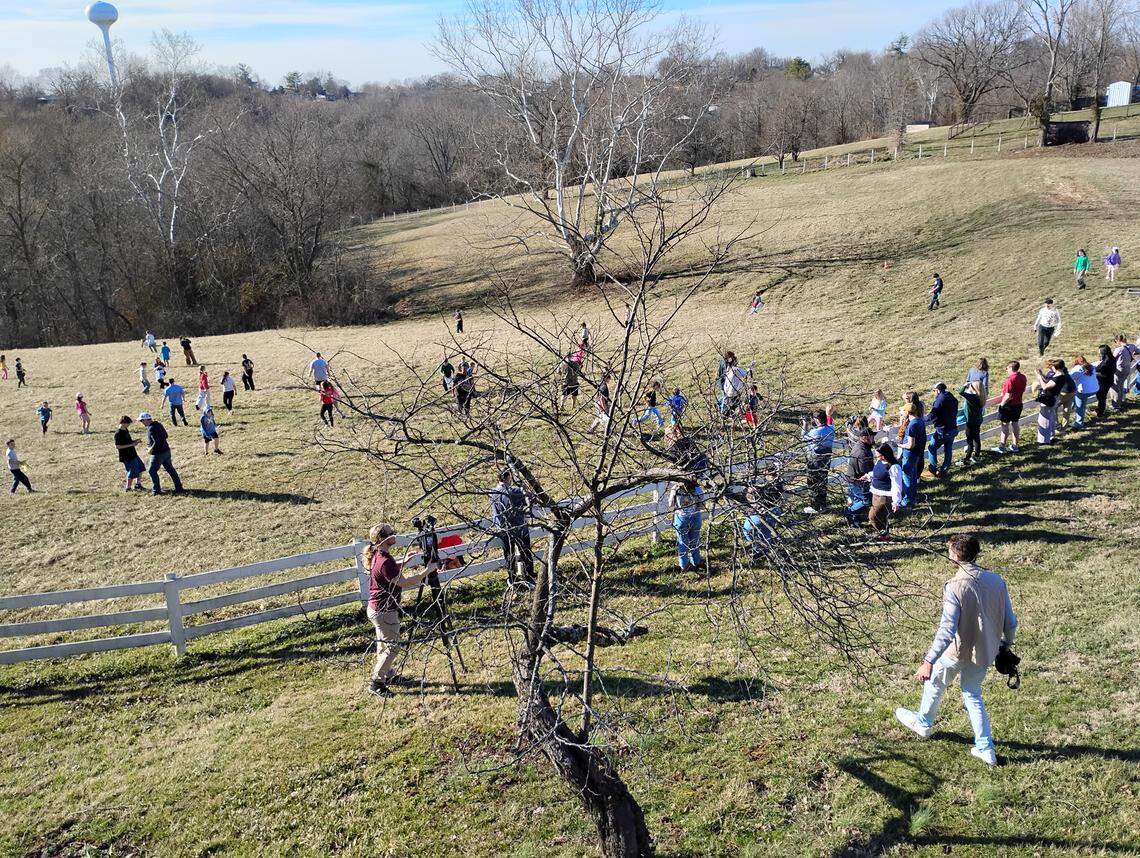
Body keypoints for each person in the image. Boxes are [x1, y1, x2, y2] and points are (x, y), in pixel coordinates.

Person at [894, 534, 1017, 767]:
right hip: (984, 653)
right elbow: (1010, 622)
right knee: (972, 695)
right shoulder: (997, 581)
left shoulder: (954, 586)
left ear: (956, 556)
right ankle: (985, 748)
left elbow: (947, 629)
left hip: (955, 653)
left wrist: (929, 660)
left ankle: (923, 723)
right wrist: (1005, 645)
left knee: (935, 684)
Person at [362, 523, 436, 697]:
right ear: (382, 539)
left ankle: (387, 675)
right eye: (390, 533)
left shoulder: (379, 556)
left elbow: (388, 571)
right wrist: (428, 571)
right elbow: (403, 582)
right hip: (385, 610)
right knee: (392, 648)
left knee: (384, 645)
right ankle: (377, 683)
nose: (394, 534)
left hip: (376, 609)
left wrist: (403, 561)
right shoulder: (385, 560)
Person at [489, 469, 534, 584]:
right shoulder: (515, 491)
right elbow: (530, 499)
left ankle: (512, 577)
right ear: (507, 478)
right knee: (525, 552)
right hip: (518, 527)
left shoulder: (492, 492)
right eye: (510, 477)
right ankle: (529, 575)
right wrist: (525, 489)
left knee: (509, 554)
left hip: (503, 529)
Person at [140, 412, 183, 495]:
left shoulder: (151, 428)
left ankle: (156, 491)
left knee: (151, 471)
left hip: (158, 454)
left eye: (142, 421)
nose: (141, 423)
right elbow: (166, 436)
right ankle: (179, 487)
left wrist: (150, 449)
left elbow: (157, 442)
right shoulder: (159, 424)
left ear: (146, 420)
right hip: (166, 451)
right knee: (171, 469)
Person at [802, 409, 835, 515]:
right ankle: (823, 505)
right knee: (823, 482)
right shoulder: (831, 429)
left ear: (817, 420)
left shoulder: (815, 432)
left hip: (815, 460)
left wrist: (804, 424)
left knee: (813, 483)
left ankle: (815, 506)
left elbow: (803, 438)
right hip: (826, 460)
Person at [866, 443, 903, 537]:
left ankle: (882, 534)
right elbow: (877, 473)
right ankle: (885, 535)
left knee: (873, 516)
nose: (877, 458)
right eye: (877, 456)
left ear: (885, 454)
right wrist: (868, 476)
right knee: (882, 517)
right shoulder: (879, 461)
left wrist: (896, 502)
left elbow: (897, 485)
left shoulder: (894, 467)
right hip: (875, 493)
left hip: (884, 497)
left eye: (879, 456)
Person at [668, 479, 705, 571]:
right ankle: (696, 561)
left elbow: (671, 504)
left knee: (682, 542)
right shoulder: (697, 488)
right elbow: (702, 505)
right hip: (695, 517)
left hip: (681, 518)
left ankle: (684, 565)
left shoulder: (676, 488)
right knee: (694, 541)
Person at [897, 394, 926, 508]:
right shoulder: (920, 421)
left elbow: (910, 445)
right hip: (918, 453)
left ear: (908, 413)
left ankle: (907, 501)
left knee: (907, 477)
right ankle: (913, 497)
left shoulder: (912, 425)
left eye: (904, 411)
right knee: (913, 476)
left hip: (910, 454)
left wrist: (900, 445)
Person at [844, 419, 875, 525]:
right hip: (857, 480)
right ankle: (848, 512)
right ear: (866, 438)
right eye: (872, 436)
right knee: (865, 501)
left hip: (853, 478)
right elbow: (864, 471)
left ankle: (854, 521)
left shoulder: (862, 446)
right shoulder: (862, 452)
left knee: (857, 501)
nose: (873, 438)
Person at [925, 382, 959, 478]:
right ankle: (944, 470)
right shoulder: (951, 396)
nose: (934, 393)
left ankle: (933, 469)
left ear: (938, 390)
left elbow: (932, 415)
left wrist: (921, 419)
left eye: (934, 391)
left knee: (932, 447)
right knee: (948, 449)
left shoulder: (940, 399)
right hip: (953, 427)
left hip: (943, 430)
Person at [994, 361, 1027, 454]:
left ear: (1011, 368)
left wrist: (1001, 405)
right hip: (1019, 404)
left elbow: (1008, 395)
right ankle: (1015, 445)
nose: (1006, 370)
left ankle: (1002, 446)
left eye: (1007, 368)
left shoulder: (1010, 380)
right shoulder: (1023, 377)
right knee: (1015, 424)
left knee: (1004, 425)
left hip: (1009, 406)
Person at [1033, 359, 1065, 445]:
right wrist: (1042, 375)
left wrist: (1039, 378)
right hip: (1054, 398)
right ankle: (1051, 437)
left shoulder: (1057, 378)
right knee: (1051, 418)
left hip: (1048, 399)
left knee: (1045, 419)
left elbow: (1045, 387)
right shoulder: (1061, 375)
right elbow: (1049, 382)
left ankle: (1044, 440)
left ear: (1056, 367)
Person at [114, 416, 147, 492]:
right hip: (126, 456)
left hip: (133, 453)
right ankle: (128, 488)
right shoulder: (118, 433)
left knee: (141, 467)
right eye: (128, 423)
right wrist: (132, 445)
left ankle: (137, 485)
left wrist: (135, 441)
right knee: (132, 471)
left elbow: (128, 441)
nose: (129, 425)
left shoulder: (125, 429)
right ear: (123, 423)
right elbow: (117, 446)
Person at [958, 381, 984, 465]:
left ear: (973, 388)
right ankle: (976, 456)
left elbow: (961, 392)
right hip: (978, 420)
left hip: (971, 422)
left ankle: (967, 459)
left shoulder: (972, 397)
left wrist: (965, 386)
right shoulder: (981, 396)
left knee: (969, 441)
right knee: (976, 439)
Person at [1070, 355, 1099, 429]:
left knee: (1080, 407)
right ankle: (1073, 405)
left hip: (1084, 391)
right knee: (1081, 400)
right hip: (1095, 389)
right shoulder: (1091, 366)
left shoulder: (1077, 368)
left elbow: (1069, 378)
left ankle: (1078, 424)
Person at [1110, 335, 1134, 409]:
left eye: (1115, 341)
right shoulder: (1132, 346)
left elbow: (1112, 359)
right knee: (1120, 385)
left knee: (1115, 387)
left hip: (1119, 370)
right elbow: (1138, 351)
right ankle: (1120, 402)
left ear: (1118, 340)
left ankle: (1116, 405)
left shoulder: (1119, 349)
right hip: (1127, 369)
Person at [1094, 344, 1114, 419]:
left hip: (1104, 382)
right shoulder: (1112, 358)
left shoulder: (1106, 362)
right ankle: (1100, 410)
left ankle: (1100, 412)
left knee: (1101, 397)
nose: (1098, 352)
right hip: (1109, 380)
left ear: (1103, 352)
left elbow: (1098, 369)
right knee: (1102, 396)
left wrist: (1096, 372)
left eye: (1099, 351)